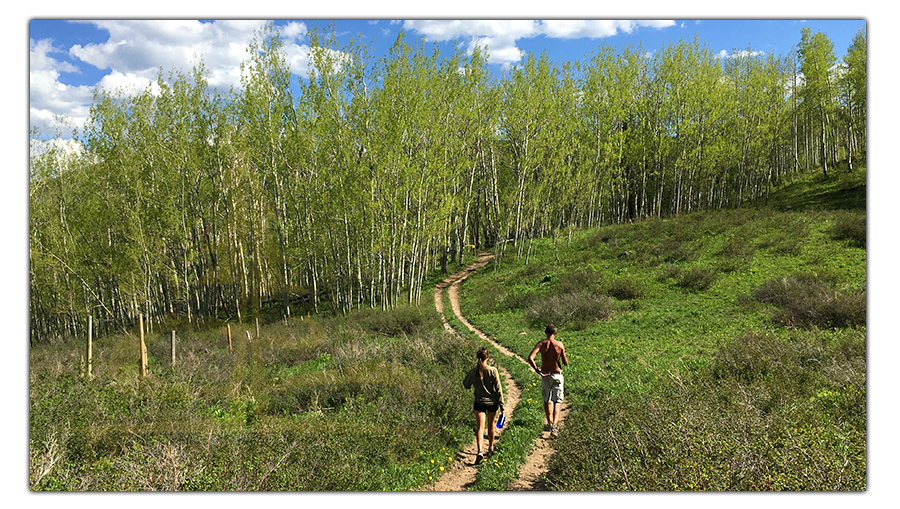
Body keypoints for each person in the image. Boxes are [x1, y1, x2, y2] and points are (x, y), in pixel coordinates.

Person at [462, 346, 504, 465]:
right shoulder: (493, 371)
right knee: (491, 425)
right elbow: (499, 389)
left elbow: (466, 385)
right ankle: (490, 448)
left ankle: (480, 451)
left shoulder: (473, 372)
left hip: (479, 402)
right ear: (488, 357)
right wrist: (502, 406)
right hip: (492, 403)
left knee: (480, 427)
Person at [528, 324, 569, 438]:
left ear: (545, 332)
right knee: (557, 401)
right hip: (557, 374)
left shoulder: (541, 344)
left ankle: (549, 422)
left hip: (545, 374)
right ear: (555, 333)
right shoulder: (559, 345)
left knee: (547, 399)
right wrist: (561, 350)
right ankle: (555, 426)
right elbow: (565, 362)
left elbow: (530, 357)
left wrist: (537, 370)